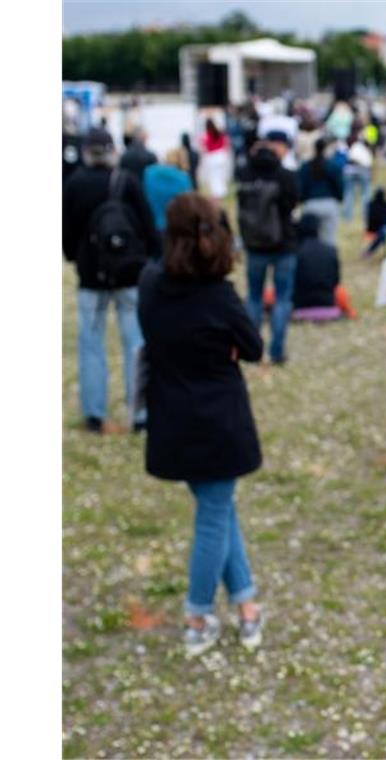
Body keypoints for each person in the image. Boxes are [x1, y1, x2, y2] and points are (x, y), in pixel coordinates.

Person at [137, 193, 264, 657]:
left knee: (219, 507)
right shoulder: (219, 295)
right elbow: (253, 346)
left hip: (172, 416)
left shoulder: (151, 284)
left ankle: (246, 602)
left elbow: (247, 347)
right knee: (214, 515)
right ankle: (197, 614)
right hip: (218, 423)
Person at [62, 127, 161, 434]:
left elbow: (65, 232)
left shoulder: (74, 184)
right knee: (135, 342)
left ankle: (94, 412)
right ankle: (140, 414)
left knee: (91, 344)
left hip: (91, 276)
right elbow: (147, 226)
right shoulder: (127, 182)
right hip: (129, 272)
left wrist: (77, 257)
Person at [236, 135, 300, 364]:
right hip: (284, 242)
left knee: (254, 297)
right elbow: (292, 203)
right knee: (282, 298)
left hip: (254, 244)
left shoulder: (244, 173)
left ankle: (253, 350)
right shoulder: (285, 175)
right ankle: (277, 351)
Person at [291, 213, 357, 321]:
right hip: (327, 303)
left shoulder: (295, 252)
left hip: (300, 306)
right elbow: (336, 281)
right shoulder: (330, 250)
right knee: (342, 292)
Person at [297, 137, 344, 247]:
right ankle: (327, 261)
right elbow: (339, 185)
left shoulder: (306, 166)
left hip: (311, 204)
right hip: (329, 204)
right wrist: (339, 198)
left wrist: (301, 200)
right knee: (329, 239)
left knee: (308, 239)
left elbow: (300, 186)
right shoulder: (333, 166)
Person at [142, 148, 194, 233]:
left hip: (151, 224)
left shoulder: (149, 172)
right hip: (176, 226)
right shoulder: (183, 178)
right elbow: (188, 205)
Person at [362, 186, 386, 259]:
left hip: (385, 225)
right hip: (378, 228)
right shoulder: (375, 205)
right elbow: (375, 220)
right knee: (384, 231)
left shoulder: (377, 204)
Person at [342, 133, 374, 221]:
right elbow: (369, 163)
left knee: (348, 193)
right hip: (362, 170)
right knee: (365, 193)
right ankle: (366, 215)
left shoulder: (354, 146)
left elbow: (350, 158)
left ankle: (347, 216)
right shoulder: (366, 150)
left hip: (350, 170)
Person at [200, 118, 230, 200]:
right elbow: (226, 144)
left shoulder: (206, 135)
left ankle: (216, 193)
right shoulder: (220, 133)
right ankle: (222, 191)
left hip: (212, 157)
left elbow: (204, 147)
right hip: (221, 156)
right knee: (220, 176)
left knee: (214, 177)